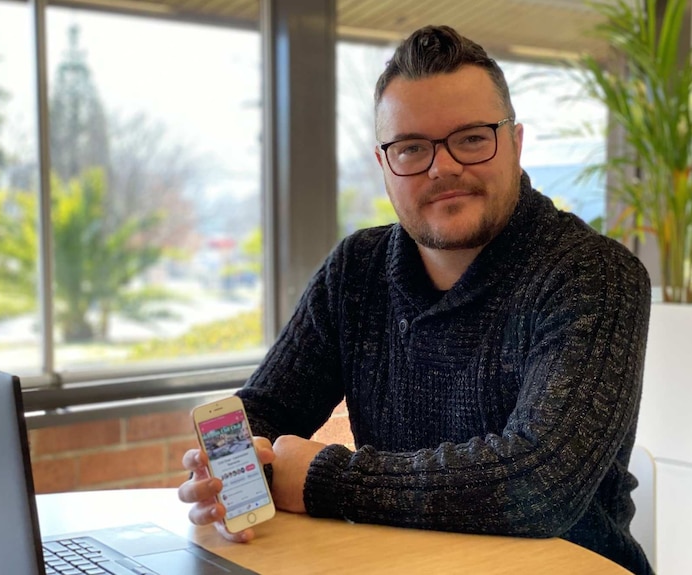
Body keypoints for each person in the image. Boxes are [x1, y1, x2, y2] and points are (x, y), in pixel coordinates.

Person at [178, 24, 653, 575]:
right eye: (411, 148)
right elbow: (265, 410)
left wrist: (322, 480)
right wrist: (231, 471)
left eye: (473, 138)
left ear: (516, 144)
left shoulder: (593, 275)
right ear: (384, 165)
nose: (443, 167)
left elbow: (535, 486)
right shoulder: (356, 271)